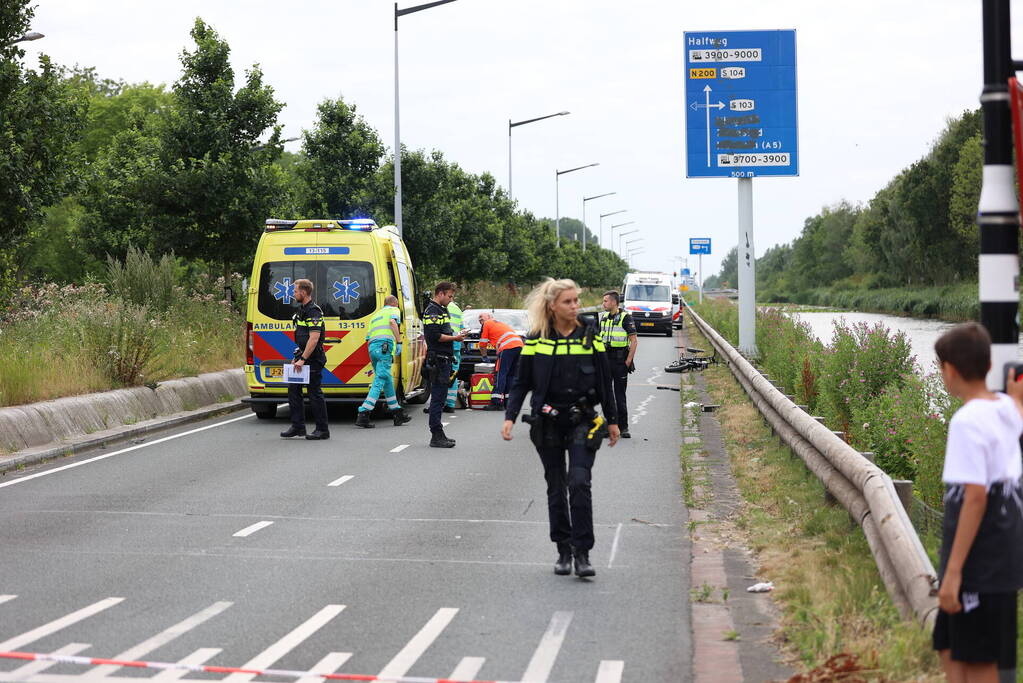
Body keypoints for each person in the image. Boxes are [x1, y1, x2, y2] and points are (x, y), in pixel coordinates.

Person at [502, 278, 620, 578]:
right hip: (548, 423)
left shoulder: (590, 336)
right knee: (556, 487)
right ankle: (563, 551)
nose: (574, 306)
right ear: (553, 306)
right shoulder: (537, 338)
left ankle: (583, 553)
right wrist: (510, 416)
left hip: (583, 421)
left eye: (576, 301)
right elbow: (521, 382)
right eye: (568, 302)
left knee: (579, 483)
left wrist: (613, 420)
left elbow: (605, 381)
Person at [932, 322, 1023, 682]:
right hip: (1000, 557)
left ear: (950, 370)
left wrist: (954, 572)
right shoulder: (1005, 409)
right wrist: (1017, 396)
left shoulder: (966, 422)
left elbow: (974, 498)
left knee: (979, 661)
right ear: (988, 366)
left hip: (978, 565)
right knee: (948, 644)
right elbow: (1016, 410)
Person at [280, 278, 330, 440]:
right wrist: (297, 357)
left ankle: (322, 430)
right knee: (293, 390)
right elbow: (302, 338)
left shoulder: (313, 311)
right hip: (302, 356)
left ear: (303, 292)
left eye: (295, 291)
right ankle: (298, 427)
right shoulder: (301, 310)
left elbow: (314, 339)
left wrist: (303, 359)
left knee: (314, 393)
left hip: (313, 358)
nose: (293, 294)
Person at [355, 295, 412, 429]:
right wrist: (399, 342)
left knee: (387, 379)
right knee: (380, 378)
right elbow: (392, 323)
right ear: (395, 303)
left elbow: (368, 337)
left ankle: (397, 412)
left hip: (372, 348)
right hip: (384, 347)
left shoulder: (375, 316)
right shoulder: (394, 310)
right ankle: (364, 412)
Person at [423, 282, 466, 448]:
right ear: (440, 293)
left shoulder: (441, 309)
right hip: (439, 360)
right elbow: (435, 336)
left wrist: (456, 335)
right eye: (449, 296)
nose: (451, 299)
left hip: (444, 358)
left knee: (440, 398)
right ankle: (436, 435)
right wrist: (455, 338)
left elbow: (444, 332)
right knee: (438, 398)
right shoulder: (433, 311)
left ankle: (439, 433)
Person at [598, 291, 638, 438]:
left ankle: (624, 427)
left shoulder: (625, 318)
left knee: (620, 395)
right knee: (606, 396)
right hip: (605, 361)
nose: (603, 304)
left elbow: (634, 341)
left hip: (620, 361)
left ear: (614, 302)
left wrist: (628, 361)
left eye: (605, 301)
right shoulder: (603, 318)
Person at [478, 311, 524, 410]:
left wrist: (484, 356)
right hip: (519, 346)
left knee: (500, 374)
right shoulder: (499, 324)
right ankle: (508, 402)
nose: (481, 322)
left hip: (507, 347)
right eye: (480, 320)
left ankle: (496, 402)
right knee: (511, 375)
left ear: (489, 318)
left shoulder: (487, 324)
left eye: (482, 319)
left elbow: (482, 344)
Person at [445, 299, 465, 412]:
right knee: (453, 374)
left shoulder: (441, 307)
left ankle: (441, 403)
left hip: (445, 343)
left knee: (442, 373)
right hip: (456, 345)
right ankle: (451, 404)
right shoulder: (457, 309)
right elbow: (462, 329)